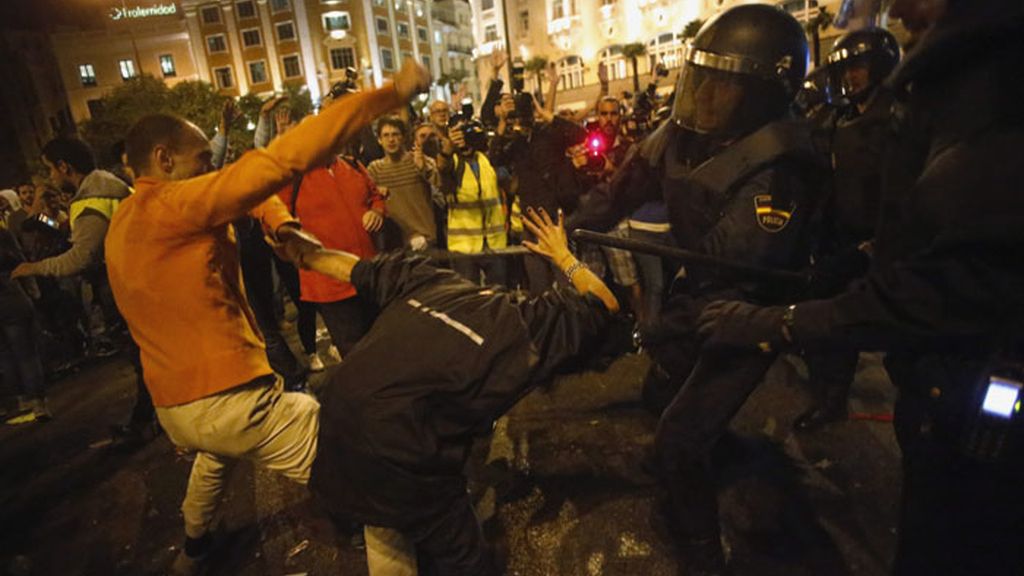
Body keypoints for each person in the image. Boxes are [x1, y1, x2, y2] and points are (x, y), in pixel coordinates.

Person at [696, 1, 1024, 573]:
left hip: (985, 409)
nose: (894, 7)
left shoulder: (995, 90)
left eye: (918, 21)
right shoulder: (956, 84)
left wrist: (780, 321)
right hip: (938, 390)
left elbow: (944, 285)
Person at [104, 60, 430, 575]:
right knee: (373, 471)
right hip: (232, 401)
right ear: (163, 159)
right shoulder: (176, 204)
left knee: (215, 458)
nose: (210, 169)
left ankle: (193, 550)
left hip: (180, 410)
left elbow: (254, 197)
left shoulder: (128, 216)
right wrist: (390, 93)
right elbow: (277, 163)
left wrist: (283, 227)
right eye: (201, 160)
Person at [567, 5, 823, 572]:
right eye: (699, 80)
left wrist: (656, 326)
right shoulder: (678, 135)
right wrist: (567, 229)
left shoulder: (778, 167)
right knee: (661, 390)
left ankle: (702, 551)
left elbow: (735, 273)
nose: (703, 97)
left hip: (747, 311)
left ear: (761, 95)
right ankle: (720, 451)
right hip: (700, 289)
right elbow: (621, 189)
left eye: (722, 86)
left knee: (680, 437)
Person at [305, 208, 619, 576]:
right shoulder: (523, 327)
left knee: (386, 523)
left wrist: (303, 254)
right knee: (460, 552)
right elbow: (604, 304)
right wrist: (563, 256)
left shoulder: (429, 282)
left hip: (336, 428)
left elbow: (352, 268)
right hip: (401, 454)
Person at [794, 27, 902, 432]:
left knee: (895, 337)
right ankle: (830, 399)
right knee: (828, 327)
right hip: (840, 240)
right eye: (846, 68)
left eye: (858, 66)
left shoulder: (897, 119)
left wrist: (881, 242)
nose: (851, 76)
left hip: (884, 246)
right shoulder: (840, 118)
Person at [276, 135, 387, 357]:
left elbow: (376, 195)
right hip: (330, 284)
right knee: (356, 352)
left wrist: (377, 211)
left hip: (367, 273)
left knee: (382, 341)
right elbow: (276, 221)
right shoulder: (291, 180)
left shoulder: (352, 165)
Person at [440, 119, 508, 286]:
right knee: (470, 298)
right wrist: (448, 149)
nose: (462, 136)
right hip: (465, 247)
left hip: (494, 242)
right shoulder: (453, 161)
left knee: (499, 295)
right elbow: (442, 167)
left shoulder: (484, 159)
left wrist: (504, 120)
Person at [367, 116, 439, 250]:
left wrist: (423, 168)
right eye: (386, 135)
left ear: (404, 138)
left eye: (395, 134)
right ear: (379, 140)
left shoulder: (418, 160)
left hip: (424, 240)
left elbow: (440, 184)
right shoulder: (374, 169)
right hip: (393, 243)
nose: (391, 140)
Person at [0, 227, 47, 423]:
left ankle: (19, 402)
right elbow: (21, 262)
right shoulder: (2, 234)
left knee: (4, 355)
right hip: (11, 295)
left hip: (9, 297)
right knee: (26, 353)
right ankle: (37, 404)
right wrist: (33, 290)